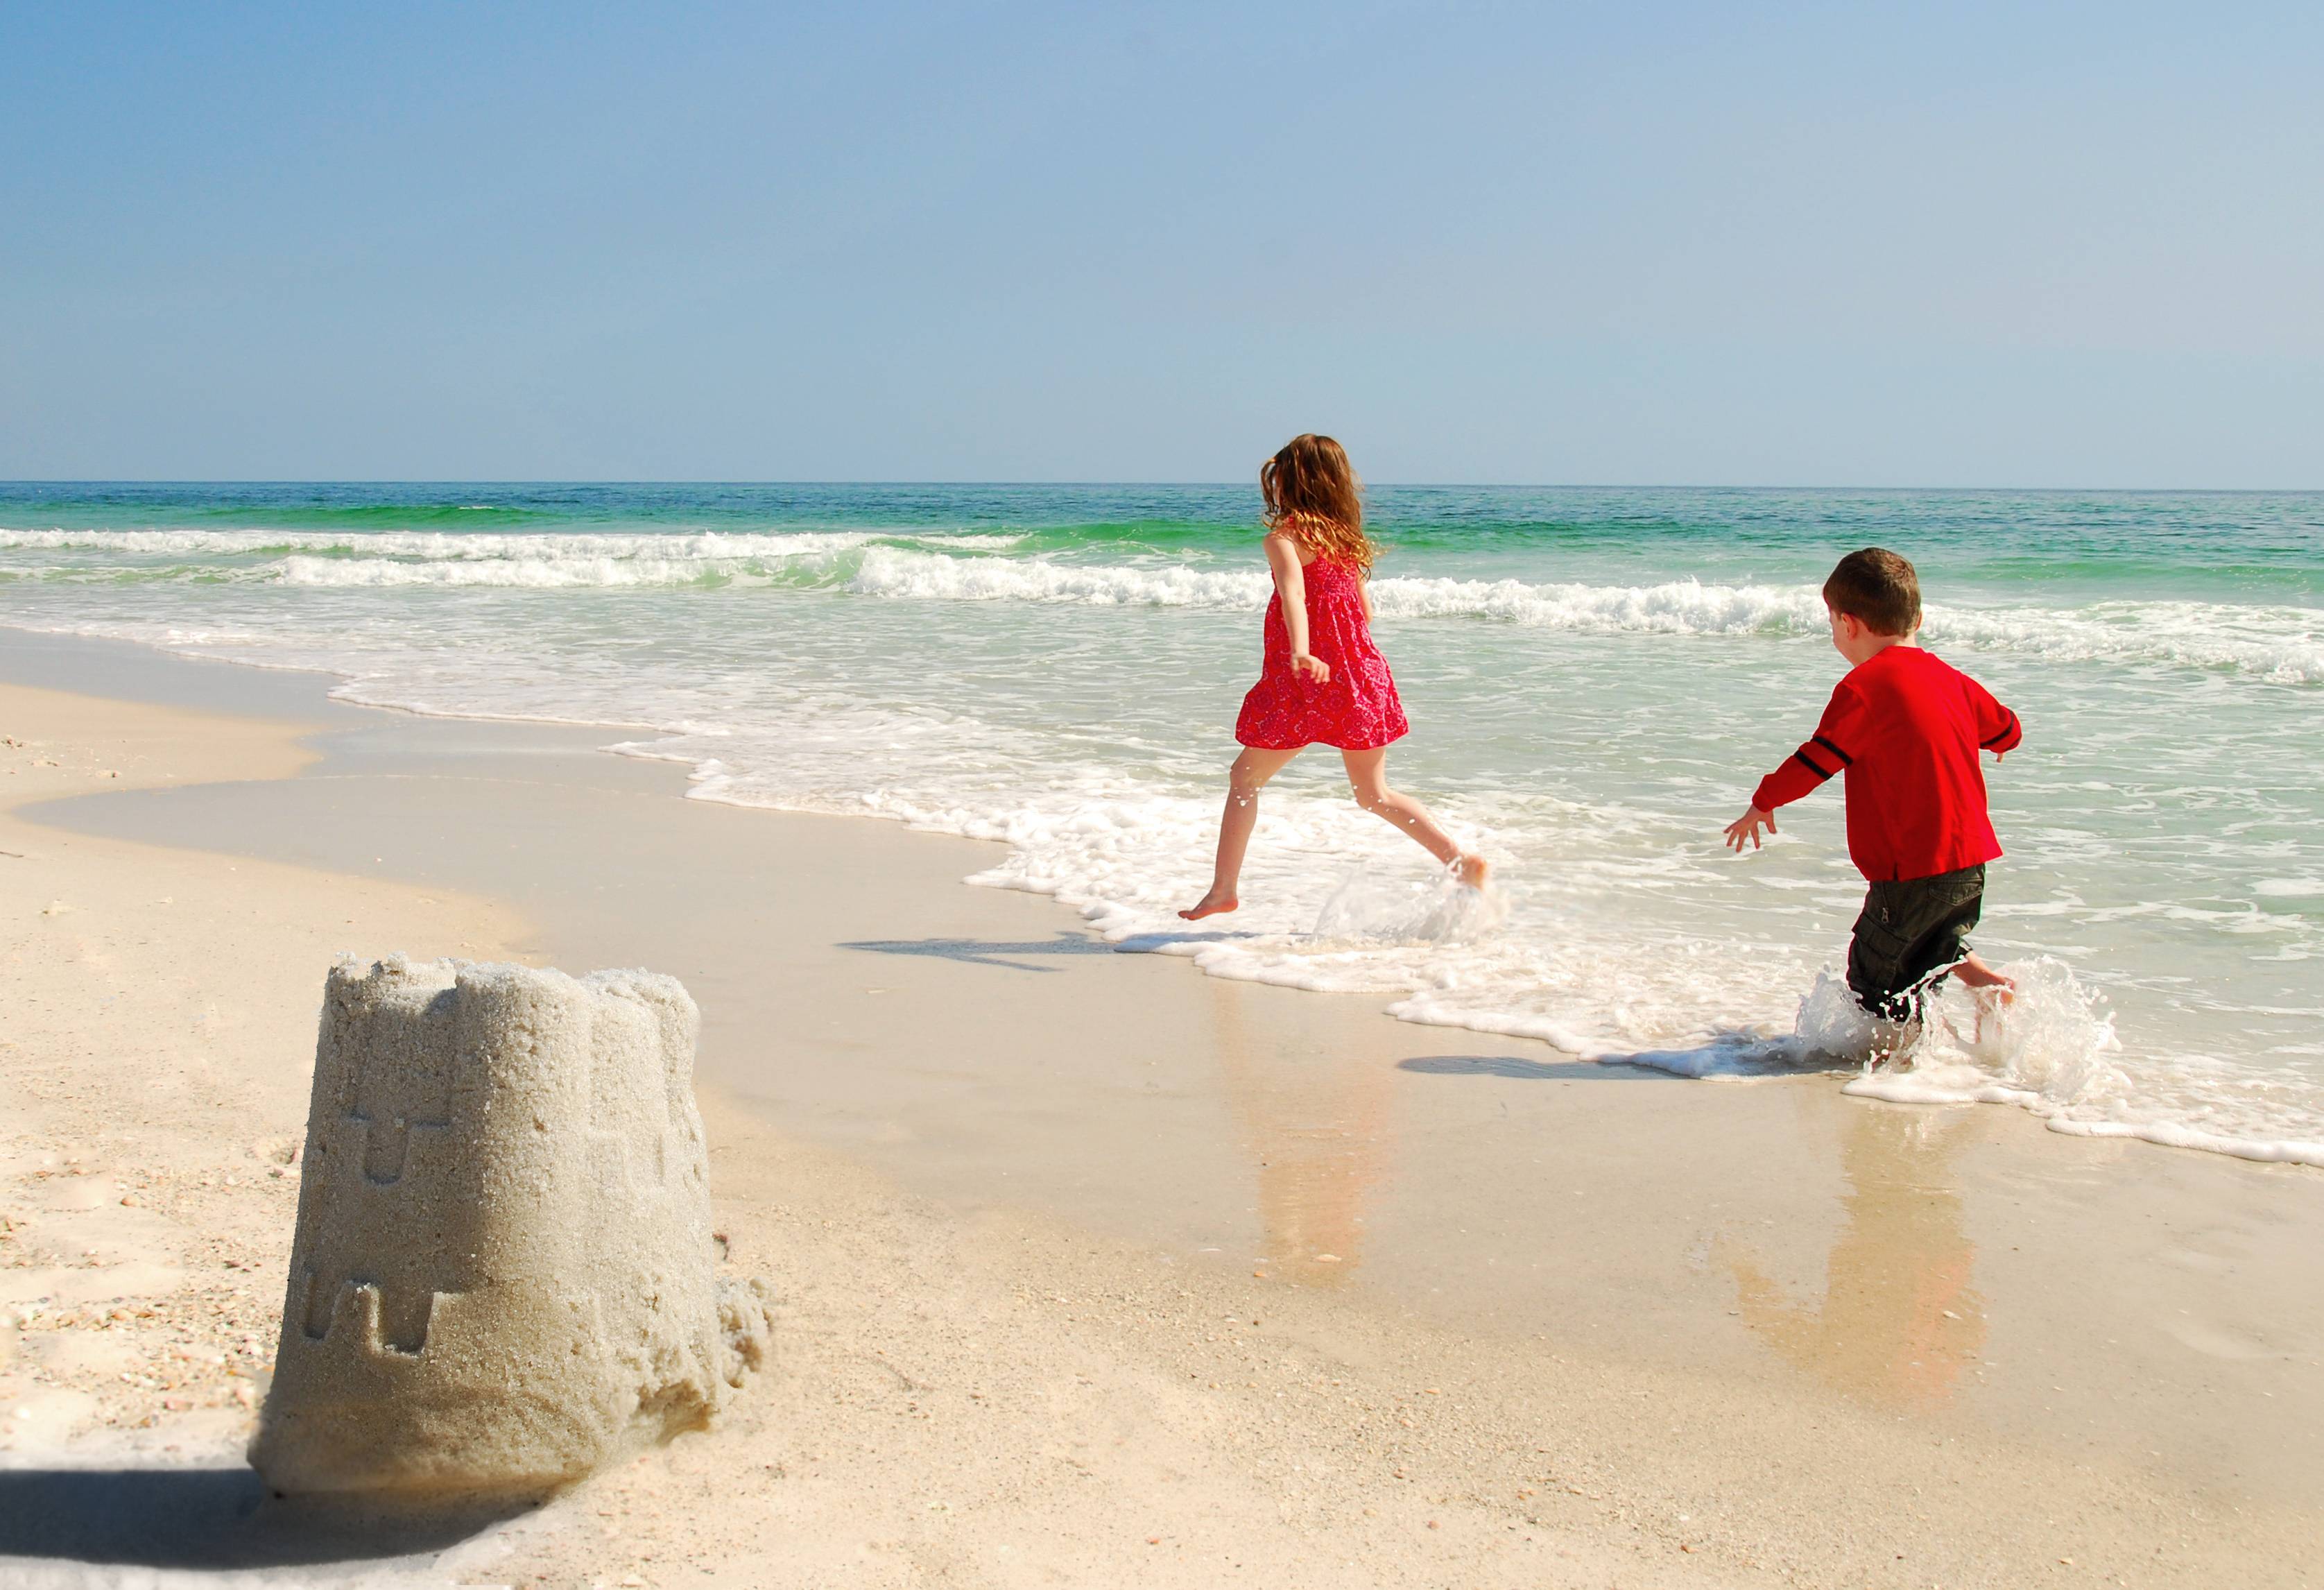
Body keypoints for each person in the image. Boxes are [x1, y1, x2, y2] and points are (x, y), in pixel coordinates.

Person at [1180, 434, 1488, 921]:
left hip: (1306, 682)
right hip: (1361, 675)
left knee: (1243, 779)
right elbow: (1363, 611)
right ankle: (1458, 859)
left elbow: (1292, 596)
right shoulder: (1345, 539)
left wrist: (1301, 650)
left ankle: (1223, 890)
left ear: (1287, 479)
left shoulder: (1283, 539)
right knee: (1374, 794)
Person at [1723, 547, 2022, 1026]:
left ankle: (1896, 1070)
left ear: (1847, 624)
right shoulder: (1953, 680)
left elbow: (1815, 760)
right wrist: (2002, 742)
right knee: (1930, 943)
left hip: (1912, 868)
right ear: (1917, 618)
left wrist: (1763, 802)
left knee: (1874, 979)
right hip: (1969, 862)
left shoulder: (1863, 689)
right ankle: (1988, 987)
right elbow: (2005, 727)